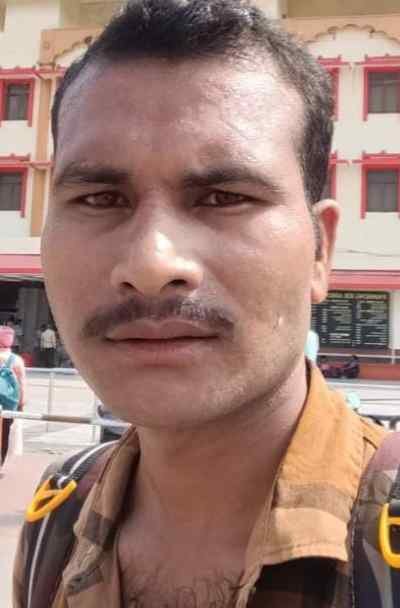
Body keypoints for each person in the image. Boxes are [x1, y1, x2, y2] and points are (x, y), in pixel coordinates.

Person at [13, 2, 386, 606]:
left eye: (222, 197)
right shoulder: (58, 517)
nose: (151, 265)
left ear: (321, 250)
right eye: (101, 198)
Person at [0, 326, 26, 466]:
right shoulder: (16, 360)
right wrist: (21, 402)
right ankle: (1, 460)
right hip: (9, 403)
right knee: (5, 434)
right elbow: (22, 383)